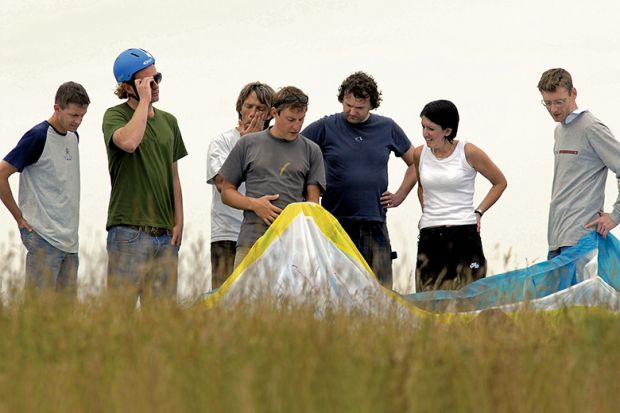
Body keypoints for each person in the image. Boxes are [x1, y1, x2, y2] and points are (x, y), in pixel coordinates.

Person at [302, 71, 416, 289]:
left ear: (371, 104)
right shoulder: (325, 126)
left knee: (381, 289)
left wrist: (400, 194)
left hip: (374, 220)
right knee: (338, 289)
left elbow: (415, 163)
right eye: (347, 105)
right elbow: (295, 149)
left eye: (359, 107)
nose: (351, 111)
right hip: (335, 220)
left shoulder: (387, 127)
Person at [102, 48, 188, 303]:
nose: (155, 85)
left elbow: (174, 175)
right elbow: (129, 142)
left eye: (157, 78)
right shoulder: (114, 116)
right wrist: (143, 102)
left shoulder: (169, 122)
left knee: (161, 322)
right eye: (147, 81)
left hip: (164, 234)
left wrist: (179, 221)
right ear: (128, 87)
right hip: (128, 231)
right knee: (120, 317)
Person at [218, 86, 326, 267]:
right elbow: (226, 192)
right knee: (244, 296)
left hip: (295, 247)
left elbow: (313, 205)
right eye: (291, 119)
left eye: (301, 119)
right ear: (274, 113)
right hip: (251, 242)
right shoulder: (247, 143)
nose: (297, 126)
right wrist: (255, 205)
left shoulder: (312, 150)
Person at [0, 82, 90, 295]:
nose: (78, 121)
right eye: (73, 115)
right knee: (38, 312)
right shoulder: (38, 136)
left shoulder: (73, 136)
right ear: (57, 108)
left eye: (82, 116)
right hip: (43, 238)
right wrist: (19, 217)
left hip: (70, 241)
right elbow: (2, 173)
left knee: (64, 318)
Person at [414, 100, 507, 292]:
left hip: (464, 234)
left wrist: (479, 212)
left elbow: (499, 182)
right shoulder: (419, 154)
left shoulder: (468, 152)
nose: (425, 133)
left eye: (431, 128)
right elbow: (422, 187)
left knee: (471, 296)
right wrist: (429, 213)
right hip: (430, 236)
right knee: (429, 300)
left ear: (447, 131)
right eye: (423, 126)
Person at [538, 68, 620, 259]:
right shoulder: (559, 130)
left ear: (573, 93)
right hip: (556, 237)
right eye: (547, 103)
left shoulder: (591, 128)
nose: (553, 110)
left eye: (559, 102)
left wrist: (615, 216)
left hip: (582, 238)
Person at [206, 82, 275, 289]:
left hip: (265, 233)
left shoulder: (278, 144)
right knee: (224, 299)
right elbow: (222, 183)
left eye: (260, 108)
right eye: (248, 106)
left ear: (270, 114)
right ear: (240, 108)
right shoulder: (222, 142)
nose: (253, 113)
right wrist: (245, 144)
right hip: (227, 232)